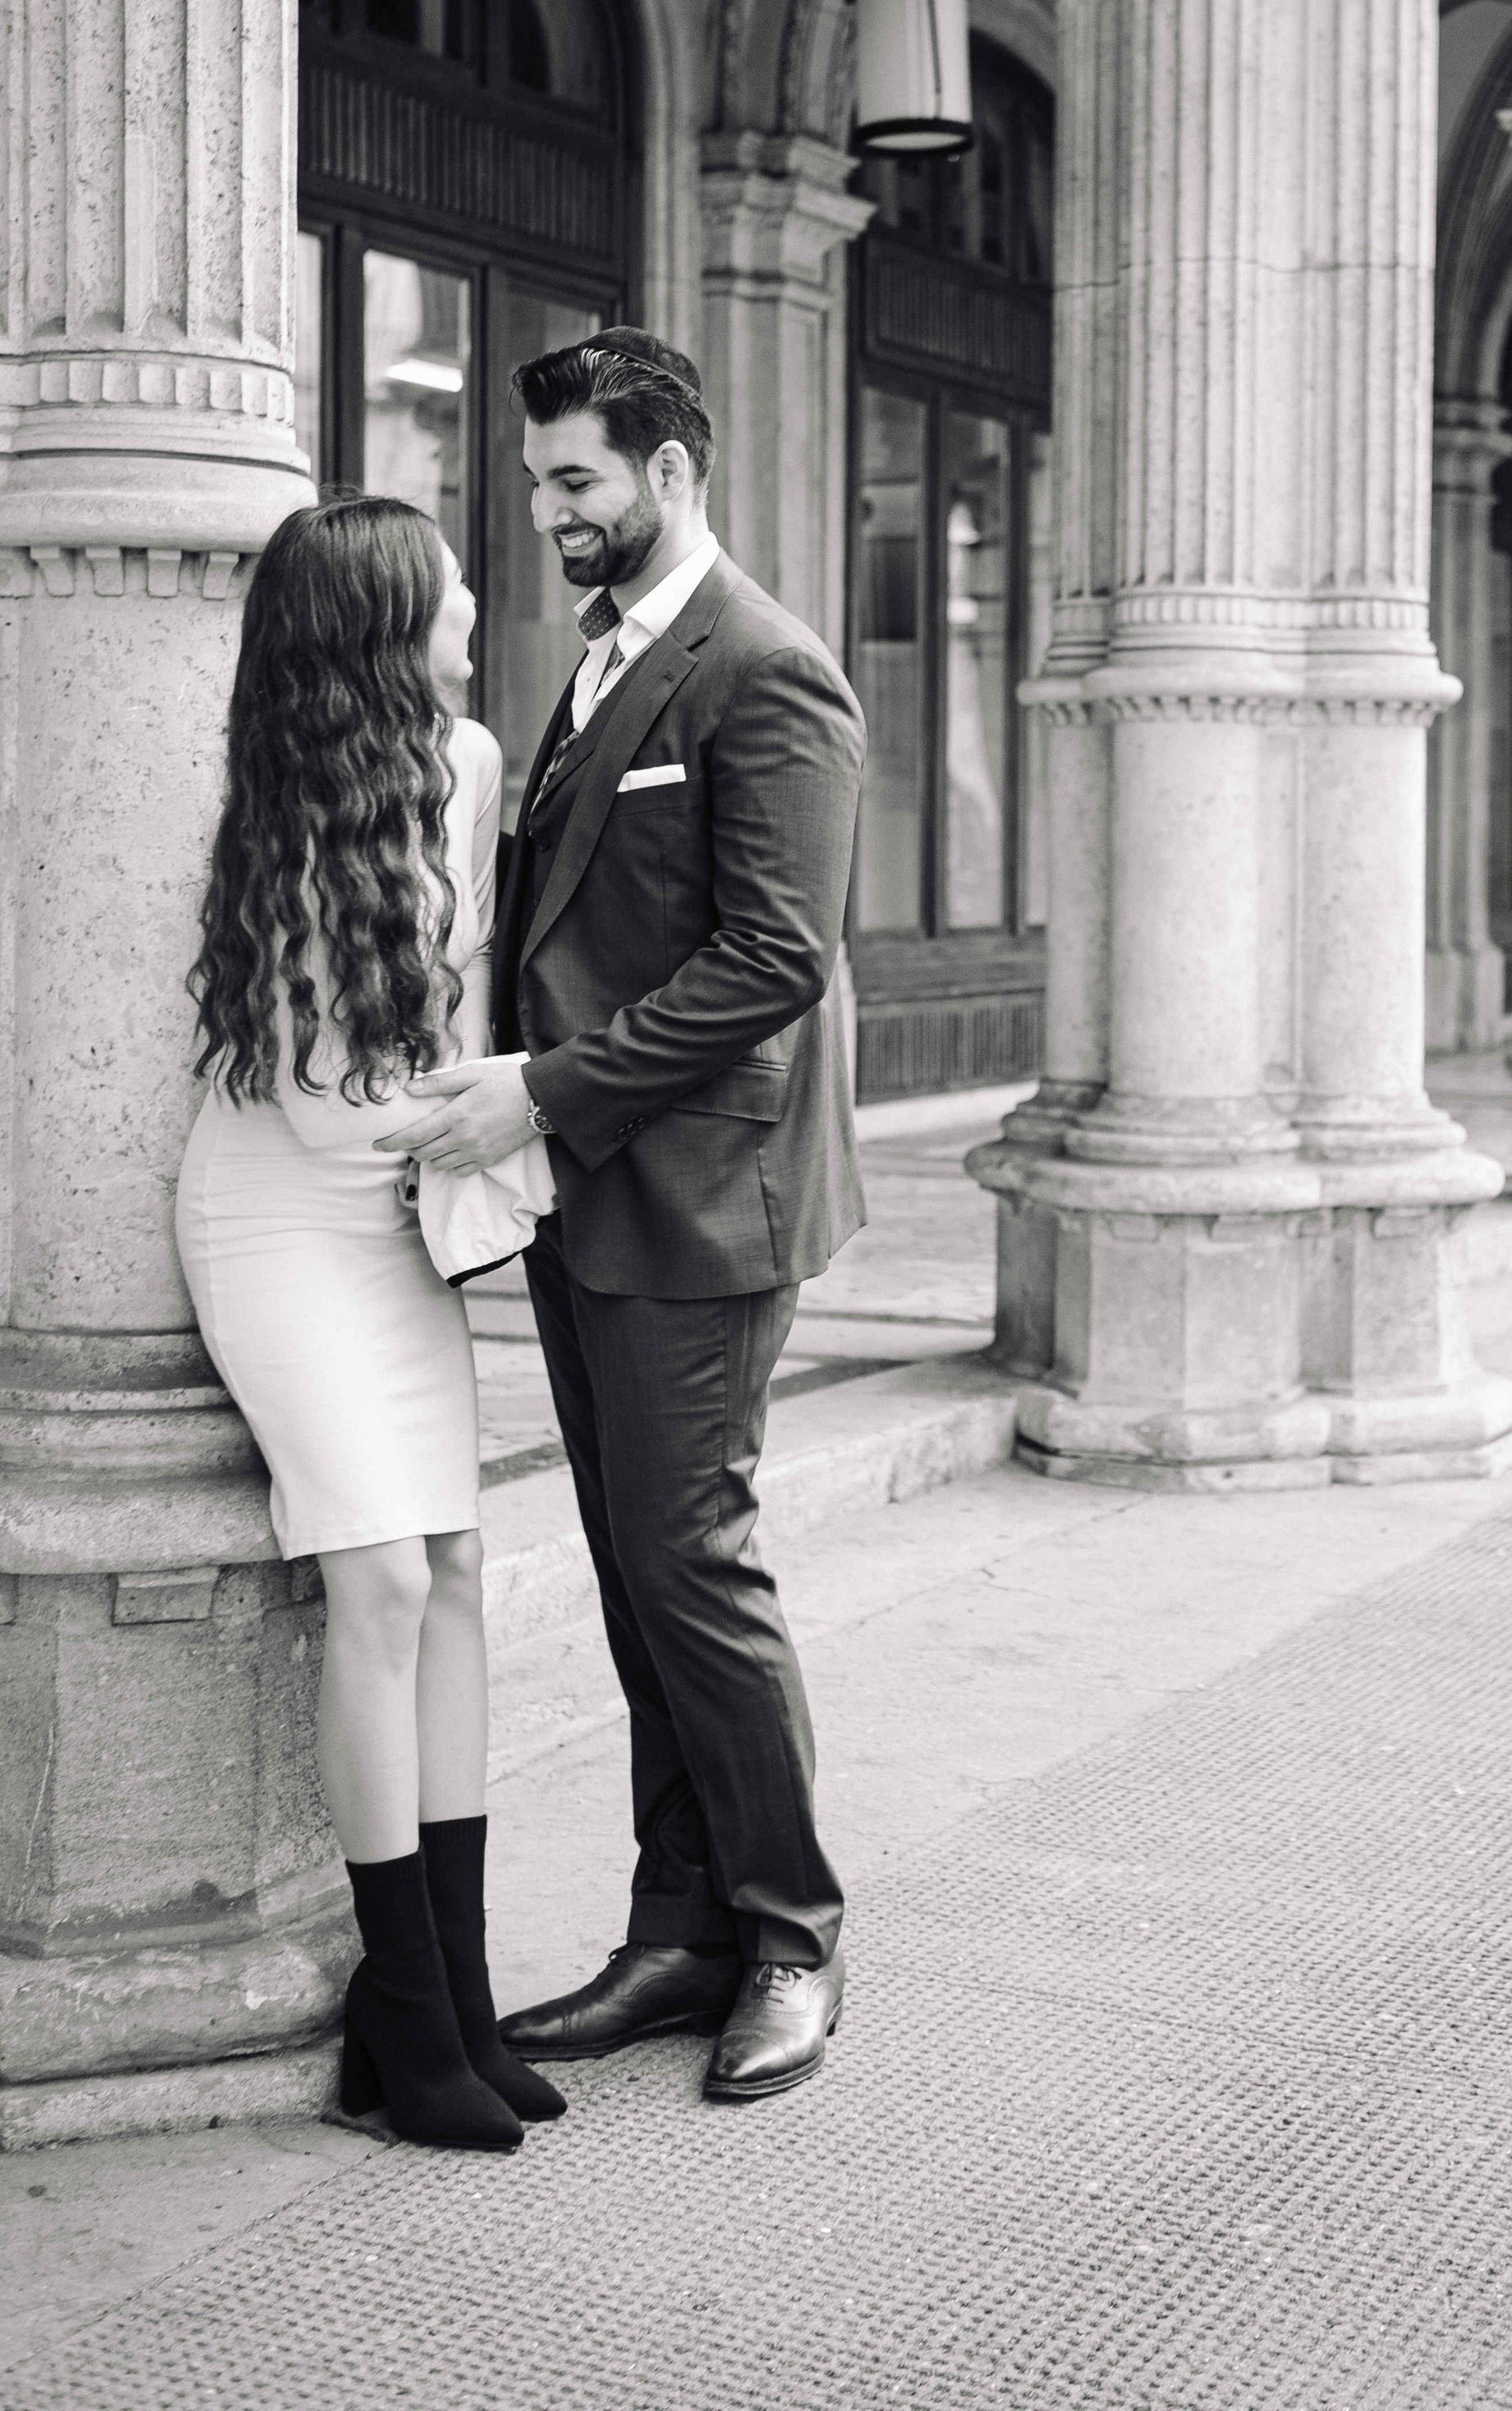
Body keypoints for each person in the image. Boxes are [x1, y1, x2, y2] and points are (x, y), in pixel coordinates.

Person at [383, 330, 865, 2105]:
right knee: (635, 1575)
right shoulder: (599, 664)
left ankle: (794, 1935)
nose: (548, 513)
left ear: (672, 473)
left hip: (706, 1195)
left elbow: (771, 960)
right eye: (536, 484)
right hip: (595, 1194)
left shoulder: (768, 670)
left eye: (575, 480)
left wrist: (540, 1089)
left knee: (694, 1567)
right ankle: (681, 1935)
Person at [177, 495, 563, 2154]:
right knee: (383, 1575)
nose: (479, 602)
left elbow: (453, 1005)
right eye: (450, 587)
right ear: (378, 624)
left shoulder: (465, 767)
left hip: (392, 1215)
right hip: (267, 1212)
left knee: (462, 1570)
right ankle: (398, 2014)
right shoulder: (235, 780)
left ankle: (454, 1995)